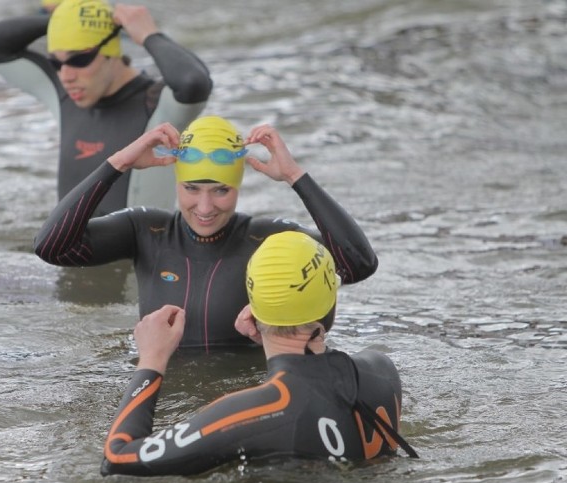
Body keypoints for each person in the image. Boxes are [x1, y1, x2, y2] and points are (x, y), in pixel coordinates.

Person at [34, 115, 379, 350]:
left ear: (238, 188)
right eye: (192, 189)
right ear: (177, 182)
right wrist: (119, 163)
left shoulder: (268, 241)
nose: (204, 206)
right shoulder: (147, 231)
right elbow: (52, 247)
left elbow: (357, 264)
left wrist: (294, 176)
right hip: (166, 402)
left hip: (242, 402)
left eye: (220, 191)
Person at [101, 231, 417, 476]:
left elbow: (117, 458)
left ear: (253, 311)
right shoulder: (380, 371)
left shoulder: (252, 412)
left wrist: (152, 359)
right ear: (330, 306)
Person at [0, 0, 212, 215]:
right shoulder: (63, 93)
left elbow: (194, 82)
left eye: (79, 60)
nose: (66, 75)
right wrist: (62, 19)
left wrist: (149, 35)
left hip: (134, 262)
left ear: (111, 54)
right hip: (69, 256)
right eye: (56, 62)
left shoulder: (159, 105)